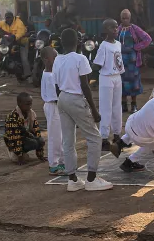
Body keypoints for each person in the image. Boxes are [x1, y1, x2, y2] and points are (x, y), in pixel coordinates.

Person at [53, 28, 112, 192]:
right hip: (76, 99)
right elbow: (85, 86)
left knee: (68, 140)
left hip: (62, 98)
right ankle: (91, 179)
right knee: (95, 138)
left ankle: (72, 180)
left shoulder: (58, 60)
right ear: (78, 42)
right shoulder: (81, 59)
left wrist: (63, 99)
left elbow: (57, 85)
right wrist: (94, 109)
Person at [109, 78, 154, 182]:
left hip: (130, 124)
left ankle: (121, 142)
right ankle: (130, 161)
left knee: (145, 121)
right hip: (141, 137)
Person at [92, 19, 125, 149]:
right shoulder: (103, 46)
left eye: (116, 27)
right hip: (106, 78)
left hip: (117, 77)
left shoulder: (118, 44)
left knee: (117, 107)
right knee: (106, 108)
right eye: (112, 28)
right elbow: (97, 64)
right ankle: (104, 138)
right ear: (105, 30)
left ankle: (117, 134)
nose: (115, 30)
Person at [117, 9, 152, 114]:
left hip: (133, 62)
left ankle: (134, 105)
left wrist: (136, 47)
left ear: (130, 18)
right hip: (121, 62)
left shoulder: (134, 28)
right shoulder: (118, 29)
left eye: (127, 18)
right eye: (123, 18)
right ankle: (123, 105)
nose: (125, 20)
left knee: (134, 82)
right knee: (122, 83)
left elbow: (147, 39)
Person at [39, 41, 64, 175]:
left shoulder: (50, 72)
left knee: (60, 135)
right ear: (46, 60)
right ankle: (53, 164)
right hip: (53, 106)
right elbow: (57, 94)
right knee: (55, 136)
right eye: (54, 57)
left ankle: (61, 162)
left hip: (55, 106)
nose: (57, 59)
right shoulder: (49, 75)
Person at [4, 92, 45, 164]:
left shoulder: (31, 114)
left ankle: (22, 154)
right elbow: (14, 138)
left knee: (40, 140)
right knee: (32, 144)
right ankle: (17, 153)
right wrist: (19, 156)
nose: (30, 106)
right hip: (14, 142)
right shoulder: (12, 118)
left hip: (25, 138)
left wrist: (40, 155)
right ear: (19, 104)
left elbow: (37, 132)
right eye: (27, 104)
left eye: (30, 104)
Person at [0, 11, 31, 80]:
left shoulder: (19, 23)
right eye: (7, 18)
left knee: (24, 58)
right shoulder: (3, 23)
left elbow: (21, 32)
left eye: (9, 18)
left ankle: (28, 75)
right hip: (9, 42)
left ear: (13, 17)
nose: (8, 19)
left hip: (21, 41)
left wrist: (15, 37)